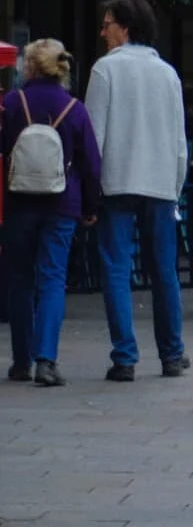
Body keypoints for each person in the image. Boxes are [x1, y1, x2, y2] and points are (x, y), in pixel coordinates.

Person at [86, 0, 191, 382]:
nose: (102, 31)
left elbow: (93, 137)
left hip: (117, 181)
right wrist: (175, 187)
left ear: (124, 28)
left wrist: (90, 187)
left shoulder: (104, 70)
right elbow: (180, 141)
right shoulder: (167, 74)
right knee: (164, 271)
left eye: (107, 23)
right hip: (160, 184)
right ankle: (172, 354)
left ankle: (125, 357)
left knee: (116, 268)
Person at [2, 39, 102, 386]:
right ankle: (46, 361)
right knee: (52, 278)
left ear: (29, 67)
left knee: (19, 280)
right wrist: (90, 206)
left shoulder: (12, 103)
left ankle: (20, 361)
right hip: (62, 204)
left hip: (18, 203)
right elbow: (91, 162)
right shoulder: (74, 108)